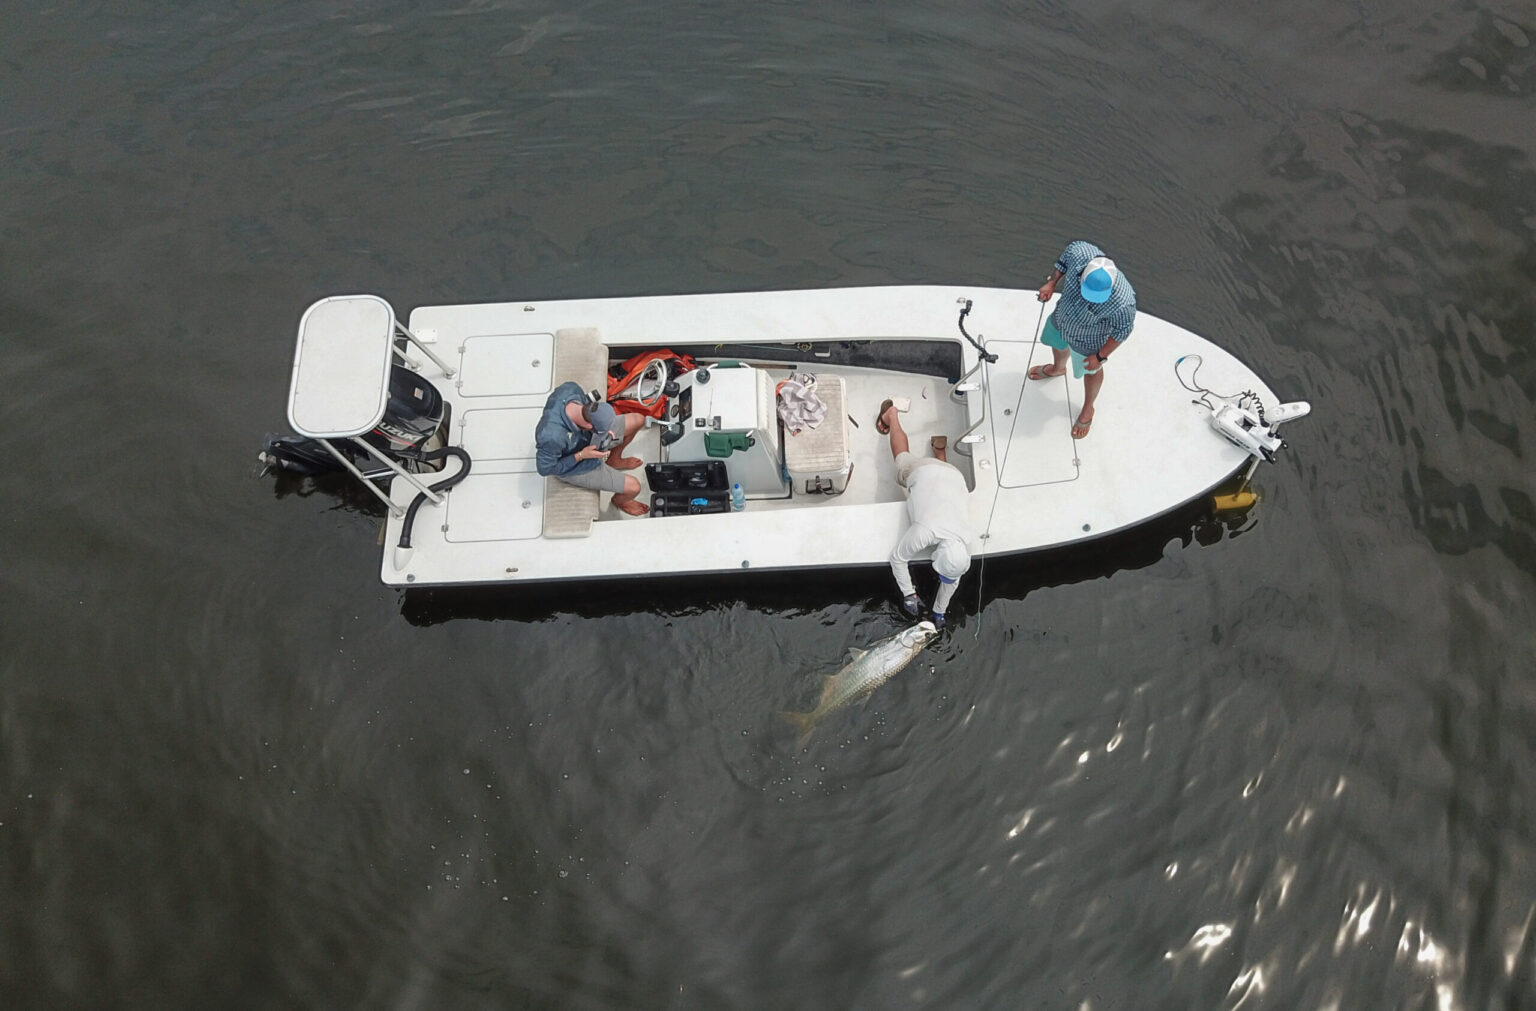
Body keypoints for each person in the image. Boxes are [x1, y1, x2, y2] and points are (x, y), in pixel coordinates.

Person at [876, 399, 974, 629]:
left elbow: (952, 581)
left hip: (953, 476)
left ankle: (939, 452)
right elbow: (897, 558)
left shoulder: (963, 547)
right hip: (924, 472)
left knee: (941, 484)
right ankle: (891, 415)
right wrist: (908, 593)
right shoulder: (926, 532)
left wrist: (939, 611)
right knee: (902, 460)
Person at [1031, 239, 1137, 438]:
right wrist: (1052, 282)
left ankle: (1089, 407)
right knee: (1056, 343)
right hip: (1061, 318)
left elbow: (1121, 332)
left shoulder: (1124, 302)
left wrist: (1099, 356)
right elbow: (1063, 262)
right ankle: (1058, 368)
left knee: (1092, 371)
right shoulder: (1079, 252)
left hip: (1089, 340)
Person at [535, 381, 649, 516]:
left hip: (587, 437)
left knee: (638, 420)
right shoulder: (551, 437)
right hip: (576, 465)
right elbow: (545, 469)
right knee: (634, 487)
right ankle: (619, 501)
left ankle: (614, 460)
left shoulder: (571, 389)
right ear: (589, 426)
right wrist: (581, 455)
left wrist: (604, 432)